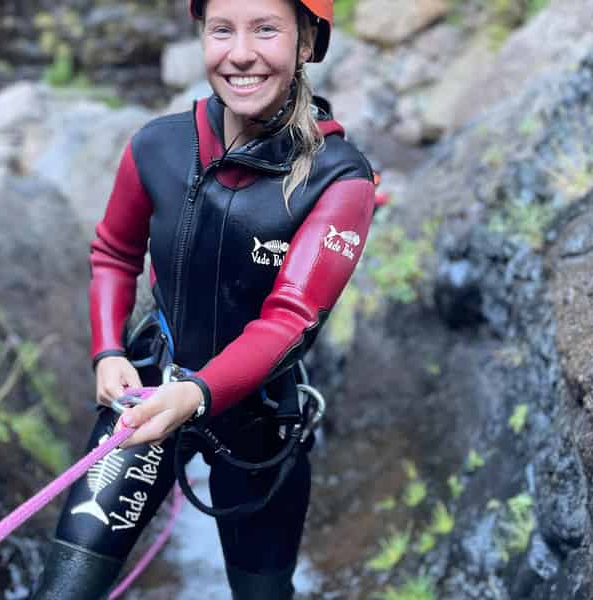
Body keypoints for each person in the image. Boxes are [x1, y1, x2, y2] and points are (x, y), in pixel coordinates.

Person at [31, 0, 376, 598]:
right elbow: (115, 253)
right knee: (64, 591)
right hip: (145, 392)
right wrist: (109, 349)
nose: (239, 53)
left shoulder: (339, 179)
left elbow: (291, 318)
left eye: (265, 29)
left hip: (260, 418)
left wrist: (196, 393)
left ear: (305, 44)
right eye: (222, 30)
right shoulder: (158, 148)